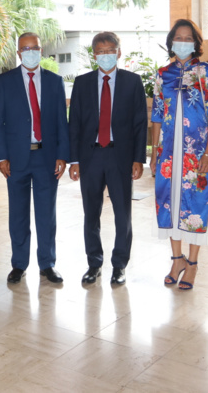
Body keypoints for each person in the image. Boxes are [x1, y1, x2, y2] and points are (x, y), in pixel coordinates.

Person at [68, 32, 147, 286]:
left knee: (123, 213)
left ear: (119, 52)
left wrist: (138, 159)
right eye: (100, 52)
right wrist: (74, 160)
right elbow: (75, 123)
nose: (105, 55)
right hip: (90, 156)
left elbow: (139, 123)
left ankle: (119, 265)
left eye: (110, 50)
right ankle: (94, 263)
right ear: (94, 55)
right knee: (91, 212)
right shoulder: (82, 83)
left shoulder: (132, 82)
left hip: (120, 156)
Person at [0, 32, 69, 285]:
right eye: (25, 49)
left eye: (34, 48)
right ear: (18, 53)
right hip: (16, 159)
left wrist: (62, 154)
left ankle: (47, 263)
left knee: (47, 214)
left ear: (41, 50)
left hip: (46, 157)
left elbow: (61, 121)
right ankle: (19, 264)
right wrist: (1, 156)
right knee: (18, 214)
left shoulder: (55, 82)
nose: (30, 52)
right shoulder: (4, 81)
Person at [150, 20, 208, 290]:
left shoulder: (206, 73)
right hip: (168, 151)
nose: (182, 42)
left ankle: (192, 264)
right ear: (171, 41)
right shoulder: (163, 73)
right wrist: (154, 152)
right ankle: (176, 259)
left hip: (195, 151)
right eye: (177, 37)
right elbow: (157, 114)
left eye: (187, 37)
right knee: (169, 201)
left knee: (194, 203)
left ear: (195, 42)